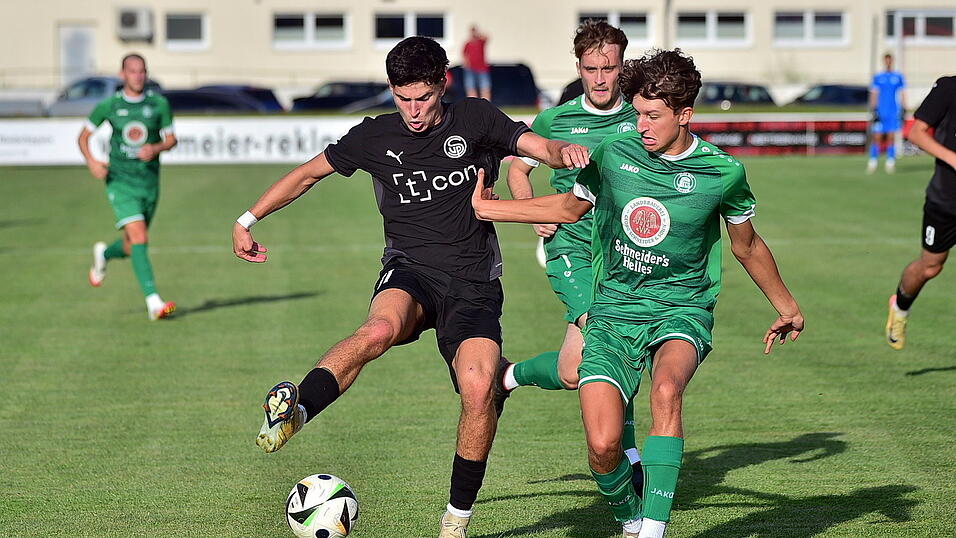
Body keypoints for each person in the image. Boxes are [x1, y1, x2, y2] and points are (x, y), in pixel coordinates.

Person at [232, 37, 589, 538]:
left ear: (443, 84)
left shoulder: (476, 118)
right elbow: (308, 175)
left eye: (423, 97)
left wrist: (561, 152)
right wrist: (247, 219)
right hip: (410, 269)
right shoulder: (375, 135)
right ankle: (297, 411)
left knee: (479, 388)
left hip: (473, 281)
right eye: (403, 99)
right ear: (391, 91)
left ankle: (455, 521)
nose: (414, 111)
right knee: (378, 329)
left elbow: (537, 147)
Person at [472, 49, 804, 538]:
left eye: (652, 115)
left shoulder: (722, 172)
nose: (640, 125)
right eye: (638, 113)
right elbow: (567, 208)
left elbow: (747, 245)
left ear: (684, 114)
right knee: (603, 446)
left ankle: (652, 530)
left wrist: (787, 307)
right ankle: (630, 518)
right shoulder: (615, 153)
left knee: (666, 390)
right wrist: (489, 210)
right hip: (614, 311)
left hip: (682, 308)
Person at [502, 19, 643, 494]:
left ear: (622, 66)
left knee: (571, 370)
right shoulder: (555, 121)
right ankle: (629, 457)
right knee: (607, 338)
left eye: (610, 68)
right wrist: (532, 214)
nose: (601, 79)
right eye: (591, 69)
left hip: (622, 255)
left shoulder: (640, 118)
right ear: (578, 67)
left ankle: (508, 376)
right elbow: (517, 169)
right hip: (571, 248)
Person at [78, 53, 177, 320]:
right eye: (132, 71)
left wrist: (155, 148)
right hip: (120, 181)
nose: (138, 76)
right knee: (140, 237)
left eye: (142, 71)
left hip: (149, 182)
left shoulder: (158, 104)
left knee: (131, 245)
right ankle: (154, 302)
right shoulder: (109, 105)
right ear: (122, 74)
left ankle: (104, 254)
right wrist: (92, 162)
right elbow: (83, 137)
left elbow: (171, 140)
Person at [885, 75, 956, 350]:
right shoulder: (949, 88)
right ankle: (900, 307)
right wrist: (952, 158)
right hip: (946, 202)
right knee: (930, 266)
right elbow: (916, 133)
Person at [868, 53, 906, 174]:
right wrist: (873, 109)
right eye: (886, 60)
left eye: (890, 60)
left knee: (891, 136)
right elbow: (874, 93)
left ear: (892, 61)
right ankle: (873, 161)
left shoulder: (898, 77)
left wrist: (904, 108)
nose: (888, 63)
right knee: (877, 136)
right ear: (884, 61)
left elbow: (902, 93)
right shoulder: (878, 77)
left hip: (893, 112)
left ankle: (890, 162)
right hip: (880, 111)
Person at [462, 25, 491, 101]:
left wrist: (478, 34)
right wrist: (466, 64)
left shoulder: (481, 42)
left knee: (485, 87)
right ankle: (473, 104)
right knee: (470, 87)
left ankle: (486, 105)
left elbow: (487, 37)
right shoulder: (468, 43)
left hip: (482, 68)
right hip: (470, 69)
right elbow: (464, 55)